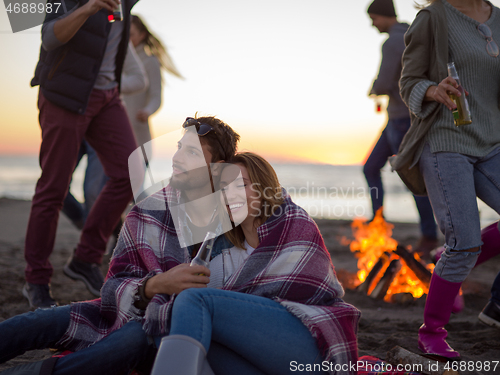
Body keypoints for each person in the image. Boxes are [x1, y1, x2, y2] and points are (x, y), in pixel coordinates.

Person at [0, 116, 240, 374]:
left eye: (191, 151)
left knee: (132, 341)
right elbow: (111, 289)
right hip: (123, 313)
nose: (177, 158)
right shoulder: (148, 211)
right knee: (40, 320)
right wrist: (154, 286)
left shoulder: (238, 221)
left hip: (168, 331)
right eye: (179, 147)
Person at [150, 152, 360, 375]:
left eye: (242, 184)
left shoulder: (294, 224)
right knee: (171, 324)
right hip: (263, 355)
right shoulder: (224, 251)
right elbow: (224, 307)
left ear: (263, 187)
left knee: (193, 300)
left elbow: (314, 291)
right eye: (224, 189)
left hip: (312, 346)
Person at [392, 0, 500, 358]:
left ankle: (446, 261)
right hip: (444, 141)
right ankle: (432, 331)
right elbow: (408, 82)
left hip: (493, 140)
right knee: (465, 242)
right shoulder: (433, 18)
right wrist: (432, 90)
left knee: (460, 249)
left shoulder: (498, 17)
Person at [24, 0, 141, 308]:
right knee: (53, 189)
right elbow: (49, 37)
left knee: (131, 172)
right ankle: (36, 280)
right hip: (64, 96)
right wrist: (88, 8)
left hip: (107, 98)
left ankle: (86, 258)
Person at [363, 0, 438, 257]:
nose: (373, 24)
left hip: (402, 119)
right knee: (371, 167)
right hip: (397, 117)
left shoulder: (393, 41)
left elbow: (384, 81)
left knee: (412, 178)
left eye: (374, 18)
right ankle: (377, 221)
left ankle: (429, 235)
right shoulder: (409, 34)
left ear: (384, 16)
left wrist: (373, 88)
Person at [61, 41, 148, 231]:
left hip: (100, 124)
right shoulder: (72, 27)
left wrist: (104, 81)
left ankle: (99, 240)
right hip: (72, 120)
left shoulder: (117, 38)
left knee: (94, 192)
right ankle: (88, 228)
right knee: (56, 187)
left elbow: (142, 82)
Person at [125, 14, 183, 155]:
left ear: (142, 35)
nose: (127, 39)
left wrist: (147, 111)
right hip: (112, 129)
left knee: (135, 172)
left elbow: (156, 97)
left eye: (131, 35)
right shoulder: (116, 57)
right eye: (125, 34)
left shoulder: (150, 62)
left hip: (137, 131)